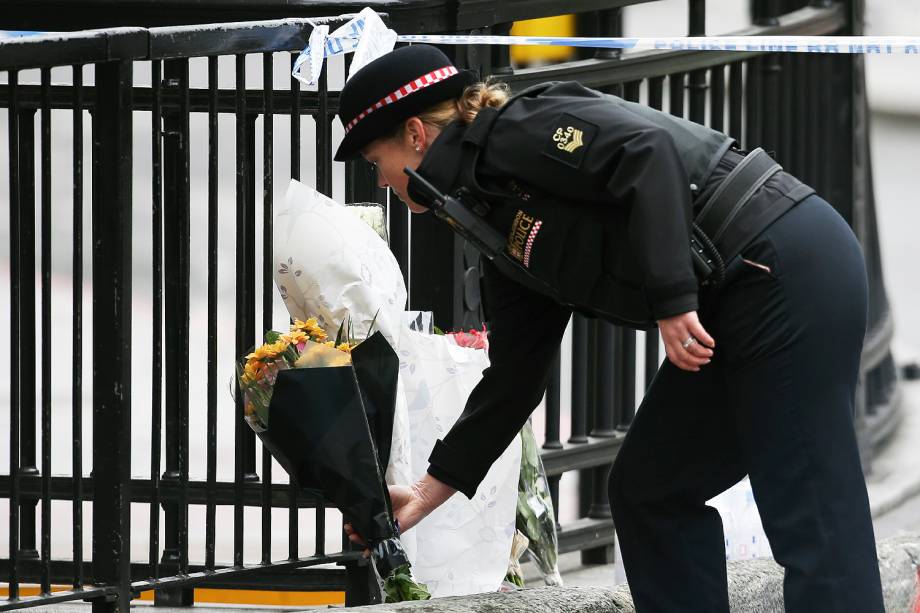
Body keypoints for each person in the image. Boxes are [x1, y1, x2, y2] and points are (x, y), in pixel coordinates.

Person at [335, 44, 885, 612]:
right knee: (651, 490)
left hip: (782, 266)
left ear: (416, 135)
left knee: (810, 511)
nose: (379, 182)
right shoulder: (486, 208)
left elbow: (647, 154)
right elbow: (515, 379)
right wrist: (430, 490)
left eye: (376, 161)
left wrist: (673, 300)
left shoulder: (514, 132)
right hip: (731, 300)